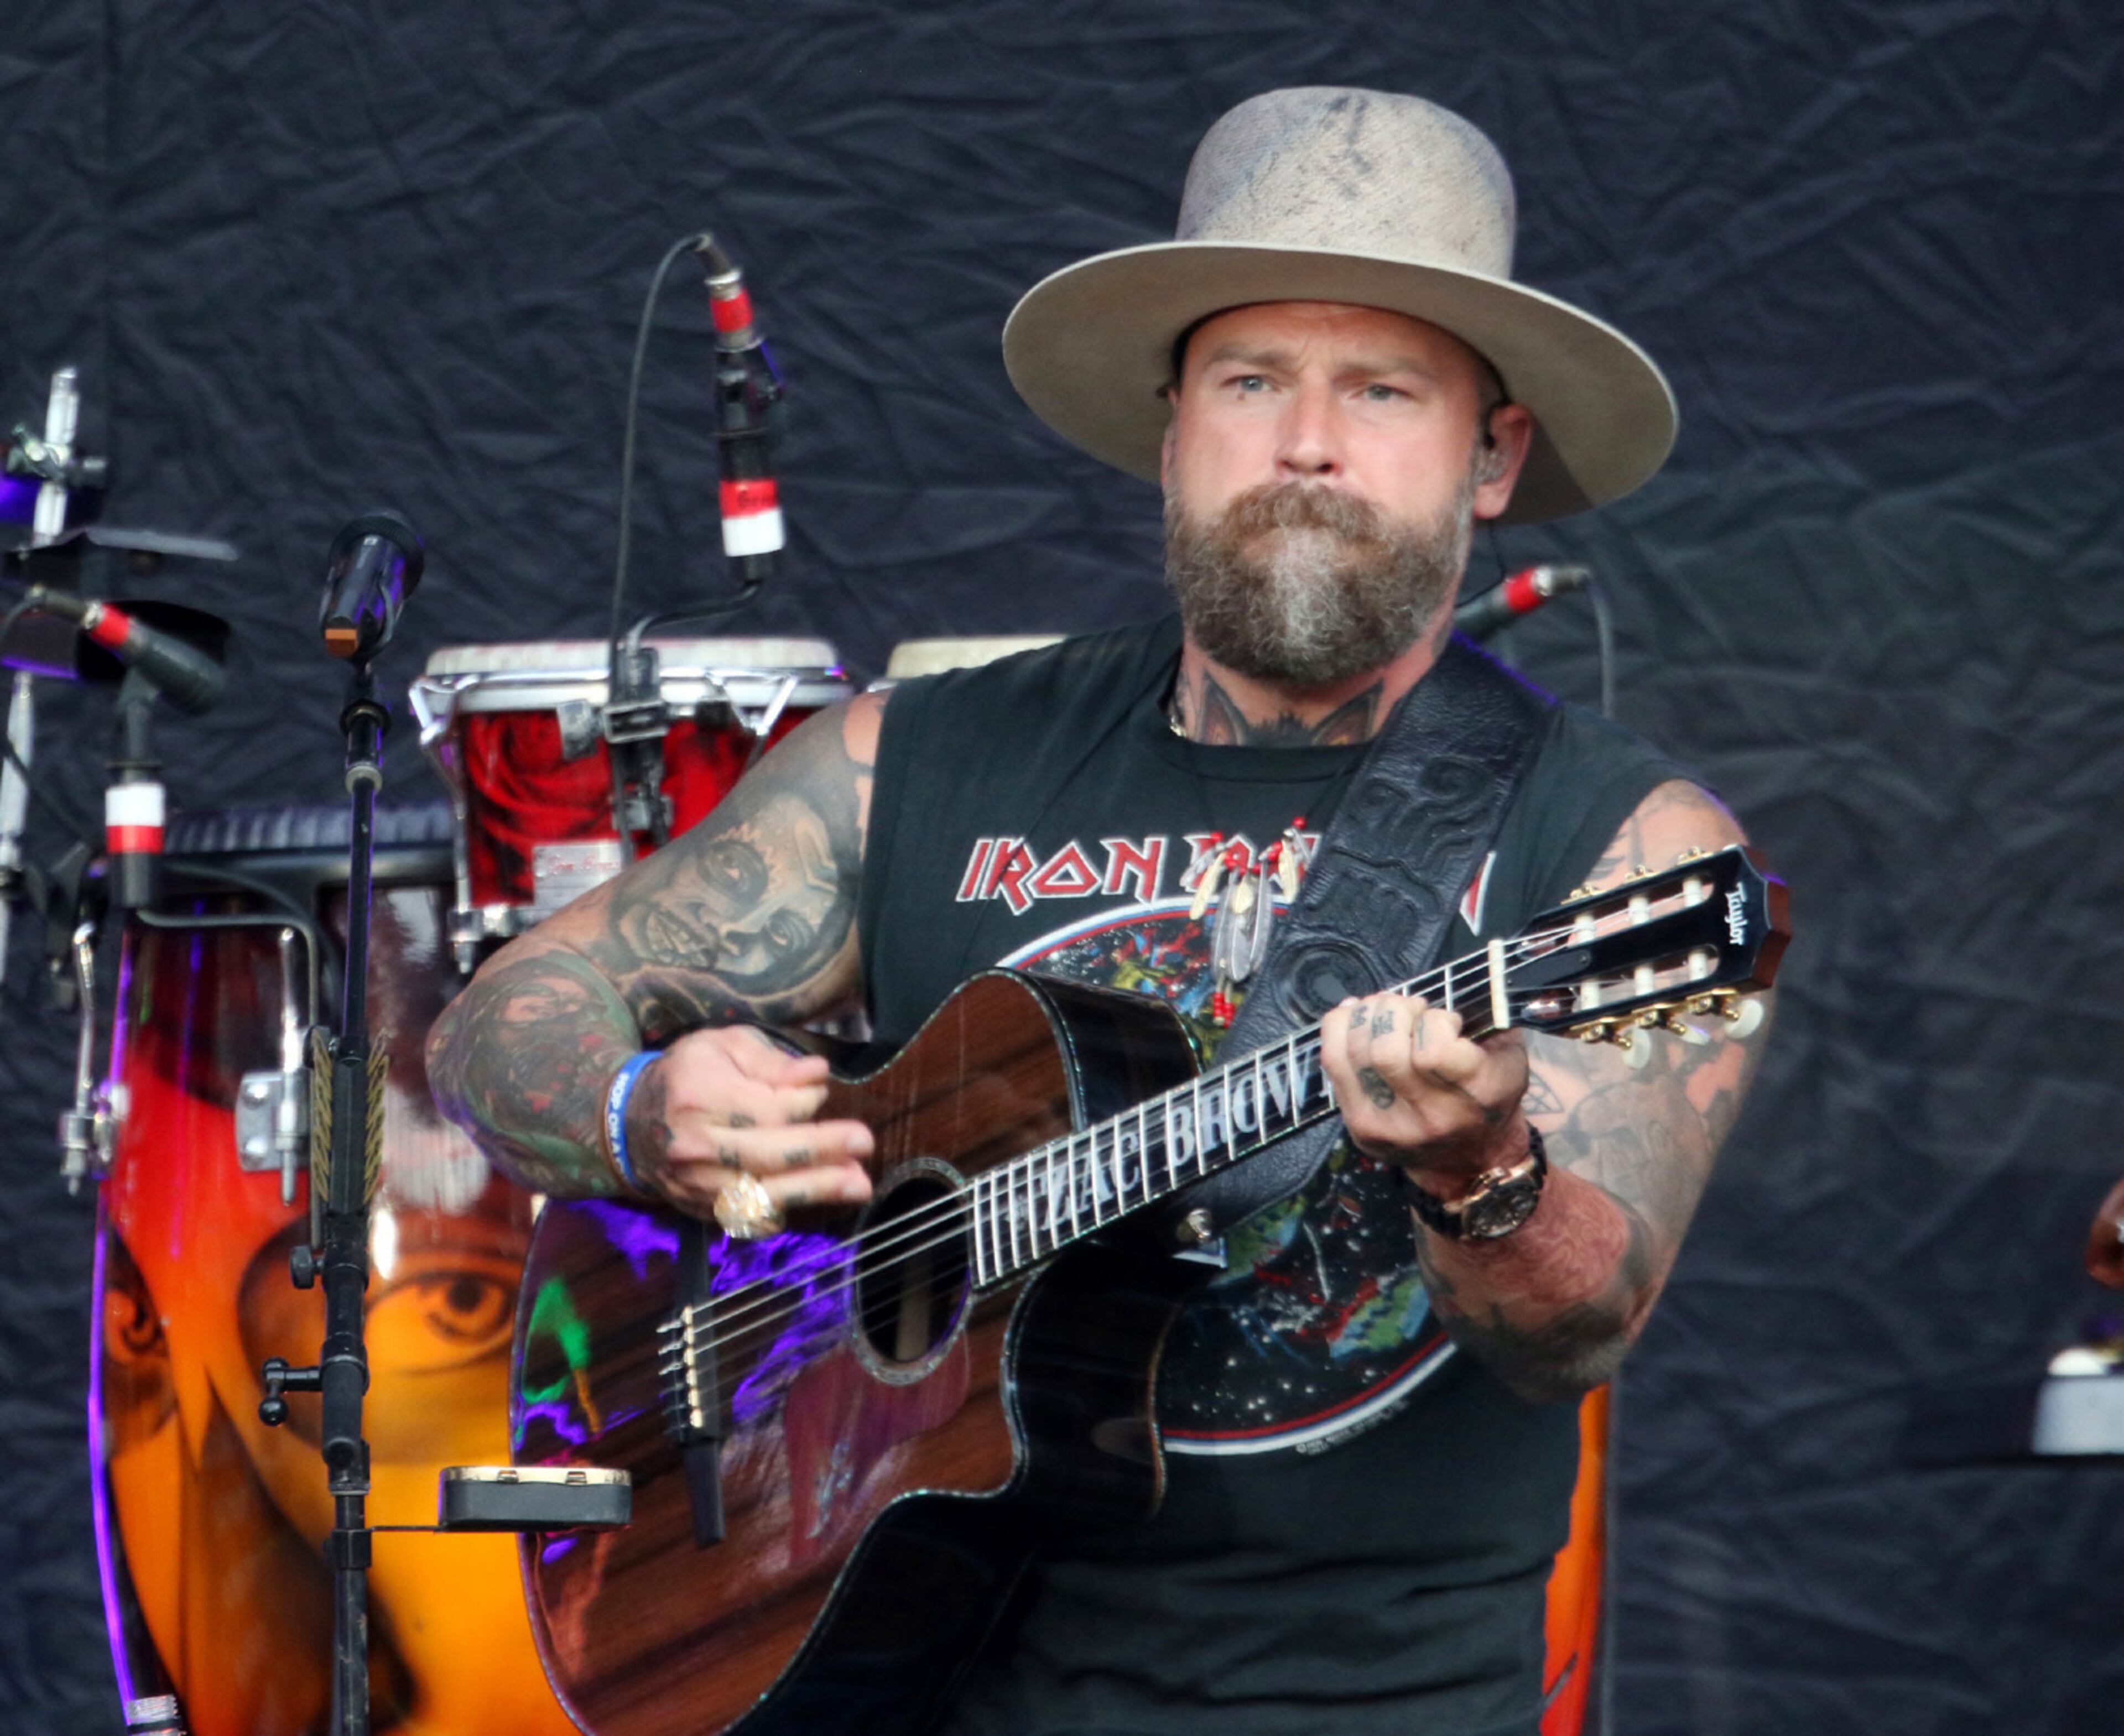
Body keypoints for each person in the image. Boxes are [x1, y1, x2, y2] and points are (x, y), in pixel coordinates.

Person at [428, 86, 1772, 1736]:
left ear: (1492, 454)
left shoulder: (1618, 840)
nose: (1307, 445)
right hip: (914, 1676)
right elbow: (499, 1017)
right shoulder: (908, 758)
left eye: (1383, 390)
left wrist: (1477, 1170)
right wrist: (647, 1112)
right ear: (1172, 422)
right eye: (1251, 380)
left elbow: (1581, 1321)